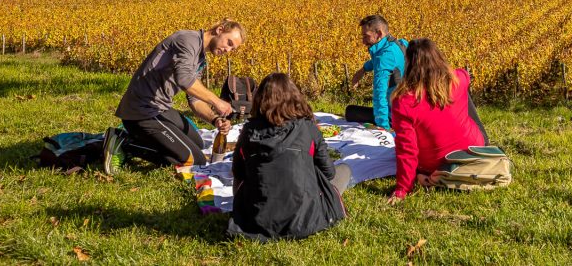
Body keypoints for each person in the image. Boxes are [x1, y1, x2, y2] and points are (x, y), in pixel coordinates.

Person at [101, 19, 244, 174]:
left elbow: (194, 100)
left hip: (160, 108)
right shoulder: (188, 40)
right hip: (142, 111)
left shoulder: (200, 57)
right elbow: (184, 80)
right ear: (219, 30)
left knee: (199, 144)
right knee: (195, 160)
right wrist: (217, 101)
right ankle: (124, 142)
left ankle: (143, 139)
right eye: (229, 43)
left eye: (233, 49)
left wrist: (215, 119)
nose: (228, 50)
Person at [228, 73, 347, 241]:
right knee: (345, 170)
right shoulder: (308, 128)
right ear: (295, 97)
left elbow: (238, 173)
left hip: (258, 220)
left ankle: (249, 211)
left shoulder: (249, 131)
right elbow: (329, 173)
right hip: (304, 220)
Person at [387, 38, 489, 203]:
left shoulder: (404, 102)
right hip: (473, 149)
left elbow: (407, 151)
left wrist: (402, 189)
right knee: (463, 98)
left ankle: (422, 176)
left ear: (410, 65)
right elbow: (464, 74)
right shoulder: (459, 79)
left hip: (437, 165)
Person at [345, 15, 408, 129]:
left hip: (395, 115)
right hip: (408, 110)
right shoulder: (400, 44)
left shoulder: (384, 57)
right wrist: (364, 69)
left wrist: (383, 127)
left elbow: (380, 94)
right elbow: (381, 60)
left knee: (350, 111)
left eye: (366, 36)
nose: (363, 41)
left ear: (378, 34)